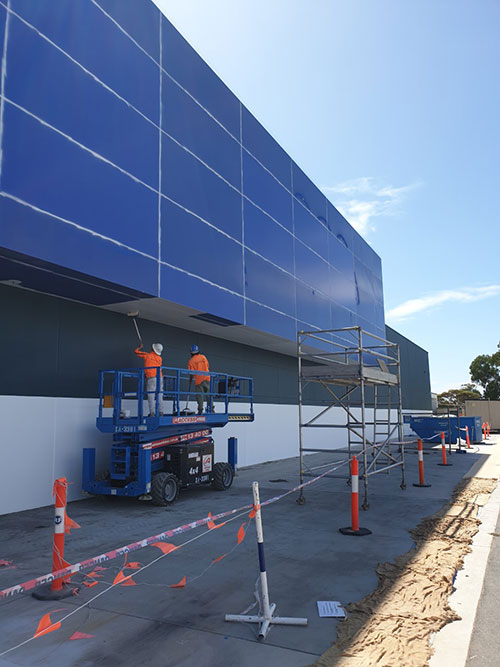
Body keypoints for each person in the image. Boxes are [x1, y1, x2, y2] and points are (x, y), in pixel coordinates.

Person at [135, 343, 164, 417]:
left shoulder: (148, 355)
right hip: (160, 377)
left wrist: (139, 347)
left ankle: (152, 412)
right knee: (160, 395)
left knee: (151, 395)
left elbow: (137, 352)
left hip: (151, 377)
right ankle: (161, 412)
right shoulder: (160, 358)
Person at [187, 344, 212, 414]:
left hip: (199, 380)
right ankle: (212, 408)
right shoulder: (203, 357)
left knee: (200, 396)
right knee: (209, 394)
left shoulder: (191, 361)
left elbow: (191, 372)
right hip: (207, 378)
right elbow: (207, 366)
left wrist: (190, 379)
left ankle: (200, 410)